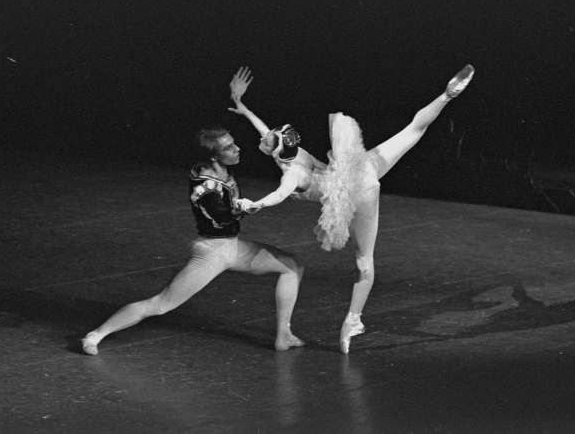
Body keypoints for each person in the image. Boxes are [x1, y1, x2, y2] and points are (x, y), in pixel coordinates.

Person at [228, 65, 475, 353]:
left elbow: (279, 194)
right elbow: (267, 132)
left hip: (359, 190)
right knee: (413, 130)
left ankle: (352, 321)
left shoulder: (292, 174)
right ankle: (447, 95)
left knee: (364, 260)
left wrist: (254, 204)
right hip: (361, 168)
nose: (262, 137)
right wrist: (242, 107)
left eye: (267, 140)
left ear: (276, 150)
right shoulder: (293, 152)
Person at [81, 126, 306, 355]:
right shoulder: (205, 187)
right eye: (229, 147)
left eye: (234, 143)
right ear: (214, 156)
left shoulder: (220, 168)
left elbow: (267, 147)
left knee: (292, 265)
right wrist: (249, 207)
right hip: (214, 252)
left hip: (232, 247)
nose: (237, 149)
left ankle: (283, 335)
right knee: (161, 304)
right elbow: (222, 216)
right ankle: (95, 335)